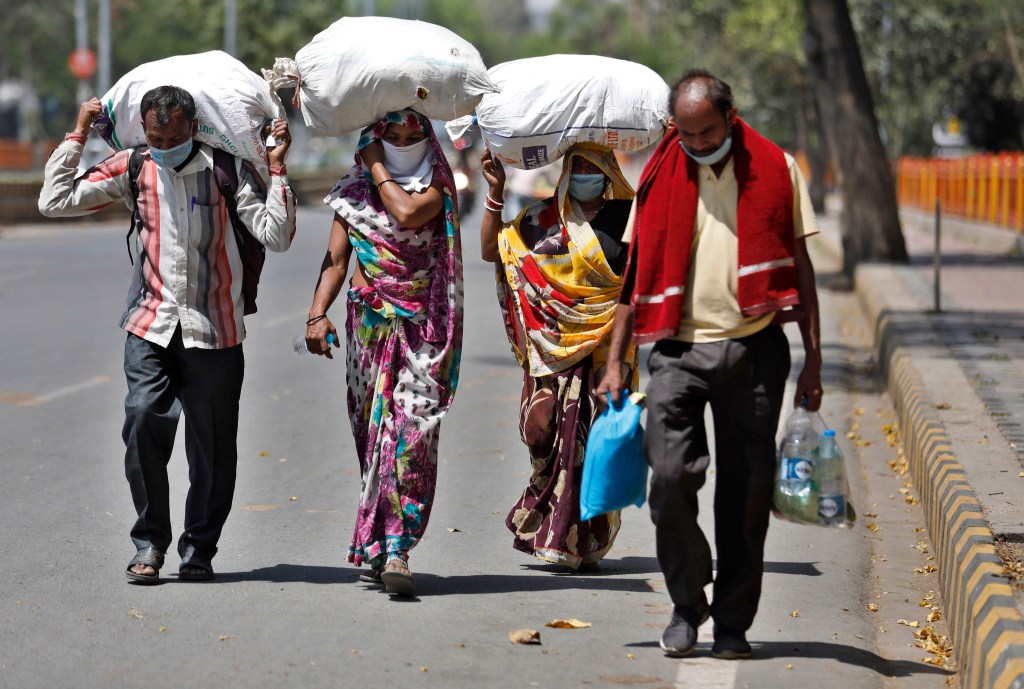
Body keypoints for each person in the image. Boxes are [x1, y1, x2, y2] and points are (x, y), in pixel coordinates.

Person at [596, 69, 823, 659]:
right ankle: (687, 600)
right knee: (669, 481)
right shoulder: (659, 175)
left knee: (746, 495)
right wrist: (617, 359)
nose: (697, 144)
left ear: (731, 116)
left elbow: (800, 266)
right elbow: (636, 274)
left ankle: (732, 625)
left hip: (755, 348)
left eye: (708, 132)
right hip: (675, 351)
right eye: (687, 133)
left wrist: (814, 360)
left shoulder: (776, 168)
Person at [38, 86, 297, 584]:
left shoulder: (227, 170)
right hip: (150, 323)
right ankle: (150, 543)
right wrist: (78, 133)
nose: (164, 147)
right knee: (141, 422)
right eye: (155, 138)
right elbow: (54, 199)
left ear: (193, 129)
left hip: (215, 329)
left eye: (173, 138)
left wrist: (277, 167)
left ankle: (199, 549)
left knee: (213, 448)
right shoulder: (134, 167)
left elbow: (277, 236)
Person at [303, 109, 463, 597]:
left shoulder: (438, 185)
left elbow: (407, 213)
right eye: (388, 138)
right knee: (375, 435)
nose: (399, 144)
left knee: (412, 433)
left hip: (425, 328)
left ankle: (399, 548)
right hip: (369, 327)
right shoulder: (352, 192)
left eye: (409, 137)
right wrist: (316, 314)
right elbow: (336, 258)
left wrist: (377, 163)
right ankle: (381, 543)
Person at [480, 143, 640, 571]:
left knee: (591, 445)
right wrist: (495, 193)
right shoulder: (538, 217)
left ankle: (577, 541)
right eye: (578, 166)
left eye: (594, 167)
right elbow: (494, 252)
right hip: (549, 347)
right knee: (541, 431)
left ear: (609, 173)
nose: (586, 173)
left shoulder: (628, 217)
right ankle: (549, 518)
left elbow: (640, 281)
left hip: (607, 347)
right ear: (566, 171)